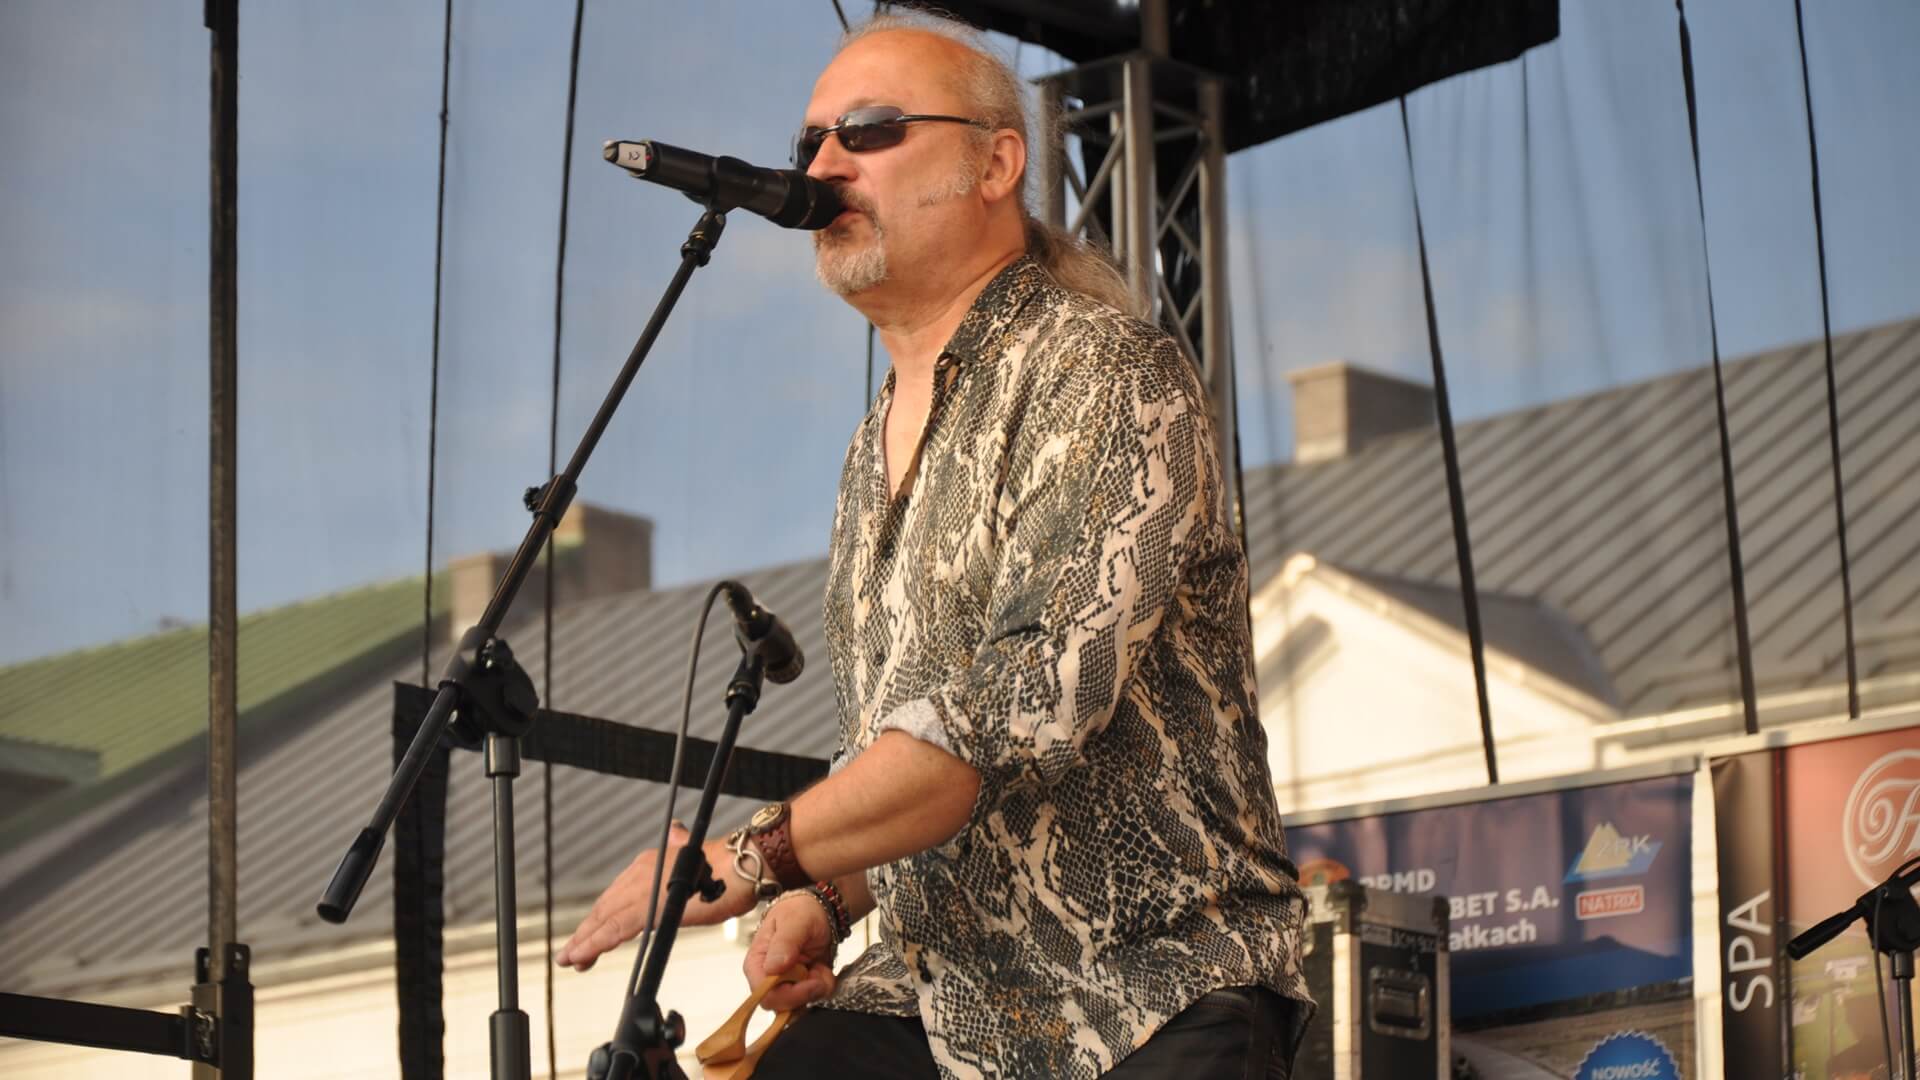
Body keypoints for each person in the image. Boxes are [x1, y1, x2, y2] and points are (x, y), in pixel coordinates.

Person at [559, 11, 1310, 1078]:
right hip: (943, 1005)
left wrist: (752, 858)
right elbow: (908, 757)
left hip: (1149, 992)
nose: (823, 165)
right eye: (809, 141)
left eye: (869, 130)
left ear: (995, 164)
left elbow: (1019, 710)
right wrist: (828, 893)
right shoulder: (867, 454)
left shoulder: (1103, 371)